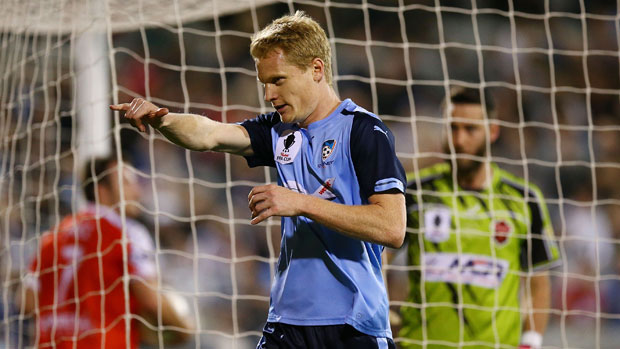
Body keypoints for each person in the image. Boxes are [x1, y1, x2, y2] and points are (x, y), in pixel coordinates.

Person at [110, 11, 406, 348]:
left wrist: (301, 203)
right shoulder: (280, 132)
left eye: (278, 80)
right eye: (264, 83)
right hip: (287, 322)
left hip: (352, 326)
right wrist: (163, 121)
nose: (268, 94)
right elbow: (211, 134)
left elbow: (392, 227)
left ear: (316, 69)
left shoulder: (364, 131)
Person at [397, 87, 561, 348]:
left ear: (493, 131)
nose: (459, 140)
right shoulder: (414, 193)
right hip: (421, 343)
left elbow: (538, 281)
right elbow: (378, 256)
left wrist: (531, 340)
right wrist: (380, 312)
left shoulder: (524, 199)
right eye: (452, 128)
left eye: (470, 129)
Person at [17, 156, 193, 348]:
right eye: (126, 183)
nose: (136, 192)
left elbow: (25, 301)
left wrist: (67, 318)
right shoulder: (127, 233)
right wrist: (183, 330)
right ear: (101, 190)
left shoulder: (54, 235)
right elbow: (151, 300)